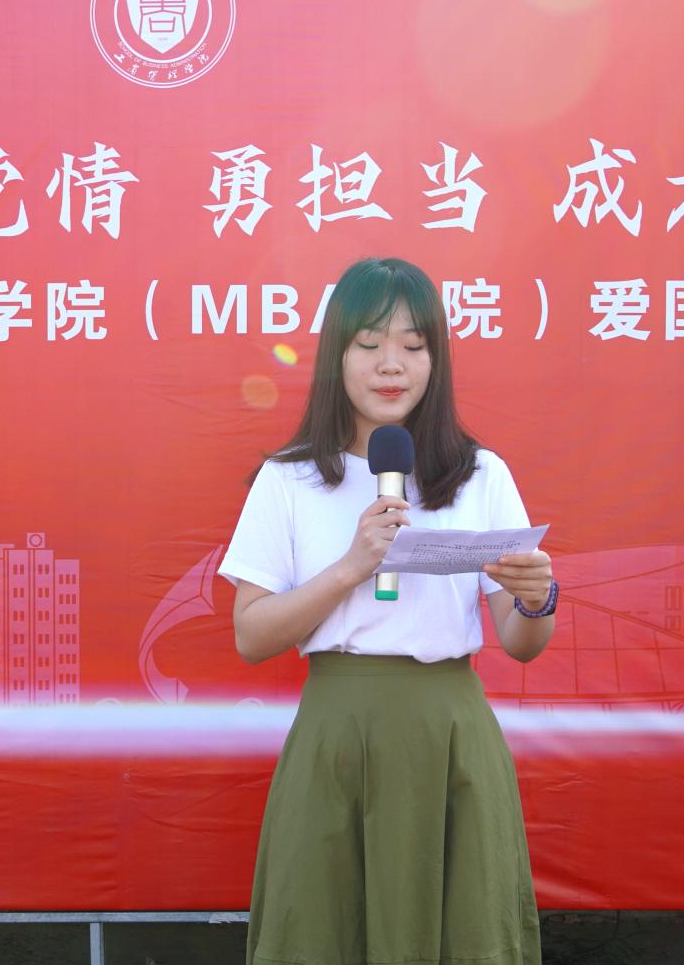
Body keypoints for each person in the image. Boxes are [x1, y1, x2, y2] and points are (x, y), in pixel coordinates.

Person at [220, 256, 557, 965]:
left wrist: (537, 597)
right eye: (369, 343)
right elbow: (251, 634)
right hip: (336, 734)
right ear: (336, 356)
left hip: (450, 732)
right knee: (323, 931)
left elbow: (521, 639)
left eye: (413, 344)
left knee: (464, 936)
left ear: (436, 357)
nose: (391, 364)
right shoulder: (290, 477)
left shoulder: (479, 474)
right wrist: (352, 565)